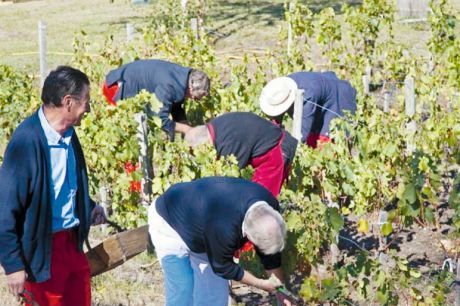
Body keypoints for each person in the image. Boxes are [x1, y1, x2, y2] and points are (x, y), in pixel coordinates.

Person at [0, 66, 107, 306]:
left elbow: (64, 184)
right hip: (43, 252)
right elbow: (4, 209)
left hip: (72, 245)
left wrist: (87, 207)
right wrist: (13, 265)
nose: (88, 108)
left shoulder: (68, 135)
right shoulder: (26, 142)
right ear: (68, 102)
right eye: (85, 101)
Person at [148, 176, 291, 306]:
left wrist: (281, 291)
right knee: (183, 289)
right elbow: (222, 266)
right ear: (248, 235)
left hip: (202, 225)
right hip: (169, 223)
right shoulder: (224, 227)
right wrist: (260, 283)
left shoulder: (269, 209)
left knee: (214, 295)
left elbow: (271, 257)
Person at [184, 112, 298, 198]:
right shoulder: (214, 127)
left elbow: (231, 182)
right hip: (267, 147)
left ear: (205, 144)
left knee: (260, 202)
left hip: (275, 153)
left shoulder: (226, 144)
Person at [103, 59, 210, 141]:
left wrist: (189, 133)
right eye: (195, 97)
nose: (191, 99)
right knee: (129, 135)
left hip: (122, 79)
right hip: (116, 88)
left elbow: (177, 107)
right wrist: (186, 130)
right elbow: (160, 119)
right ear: (191, 88)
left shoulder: (182, 77)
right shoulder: (170, 86)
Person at [259, 71, 357, 148]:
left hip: (339, 98)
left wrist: (287, 149)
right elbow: (276, 114)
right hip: (322, 93)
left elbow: (302, 134)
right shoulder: (285, 87)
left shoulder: (307, 96)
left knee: (325, 144)